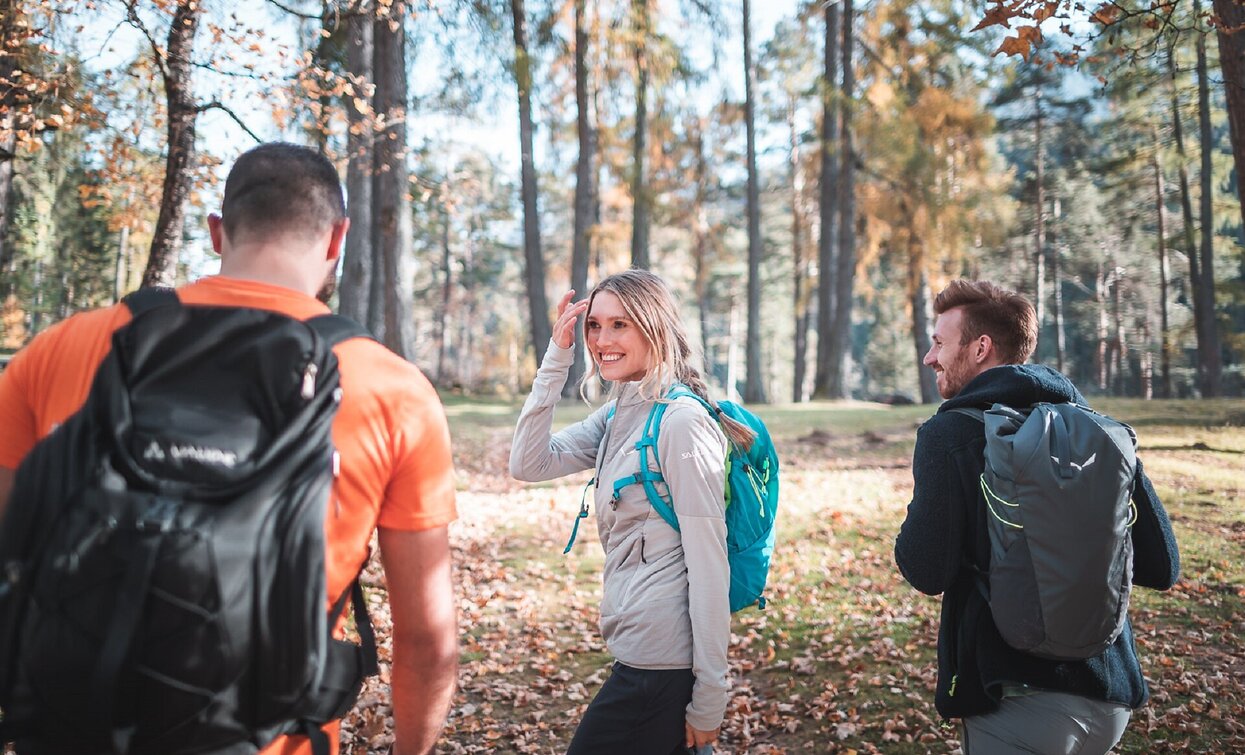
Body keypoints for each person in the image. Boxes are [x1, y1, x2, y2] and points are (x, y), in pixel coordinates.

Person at [0, 142, 458, 755]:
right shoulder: (392, 389)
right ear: (336, 239)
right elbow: (426, 640)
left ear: (218, 232)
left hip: (71, 727)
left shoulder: (62, 348)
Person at [894, 279, 1181, 754]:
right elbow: (1162, 565)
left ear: (981, 347)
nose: (930, 357)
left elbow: (926, 569)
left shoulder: (949, 434)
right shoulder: (1097, 430)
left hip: (1015, 704)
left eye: (940, 343)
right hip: (1111, 697)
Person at [510, 269, 745, 754]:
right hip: (638, 653)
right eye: (595, 325)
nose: (601, 339)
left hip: (661, 666)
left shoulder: (680, 422)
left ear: (654, 326)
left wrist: (709, 696)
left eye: (620, 325)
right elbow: (529, 463)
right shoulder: (623, 410)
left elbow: (708, 565)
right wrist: (558, 356)